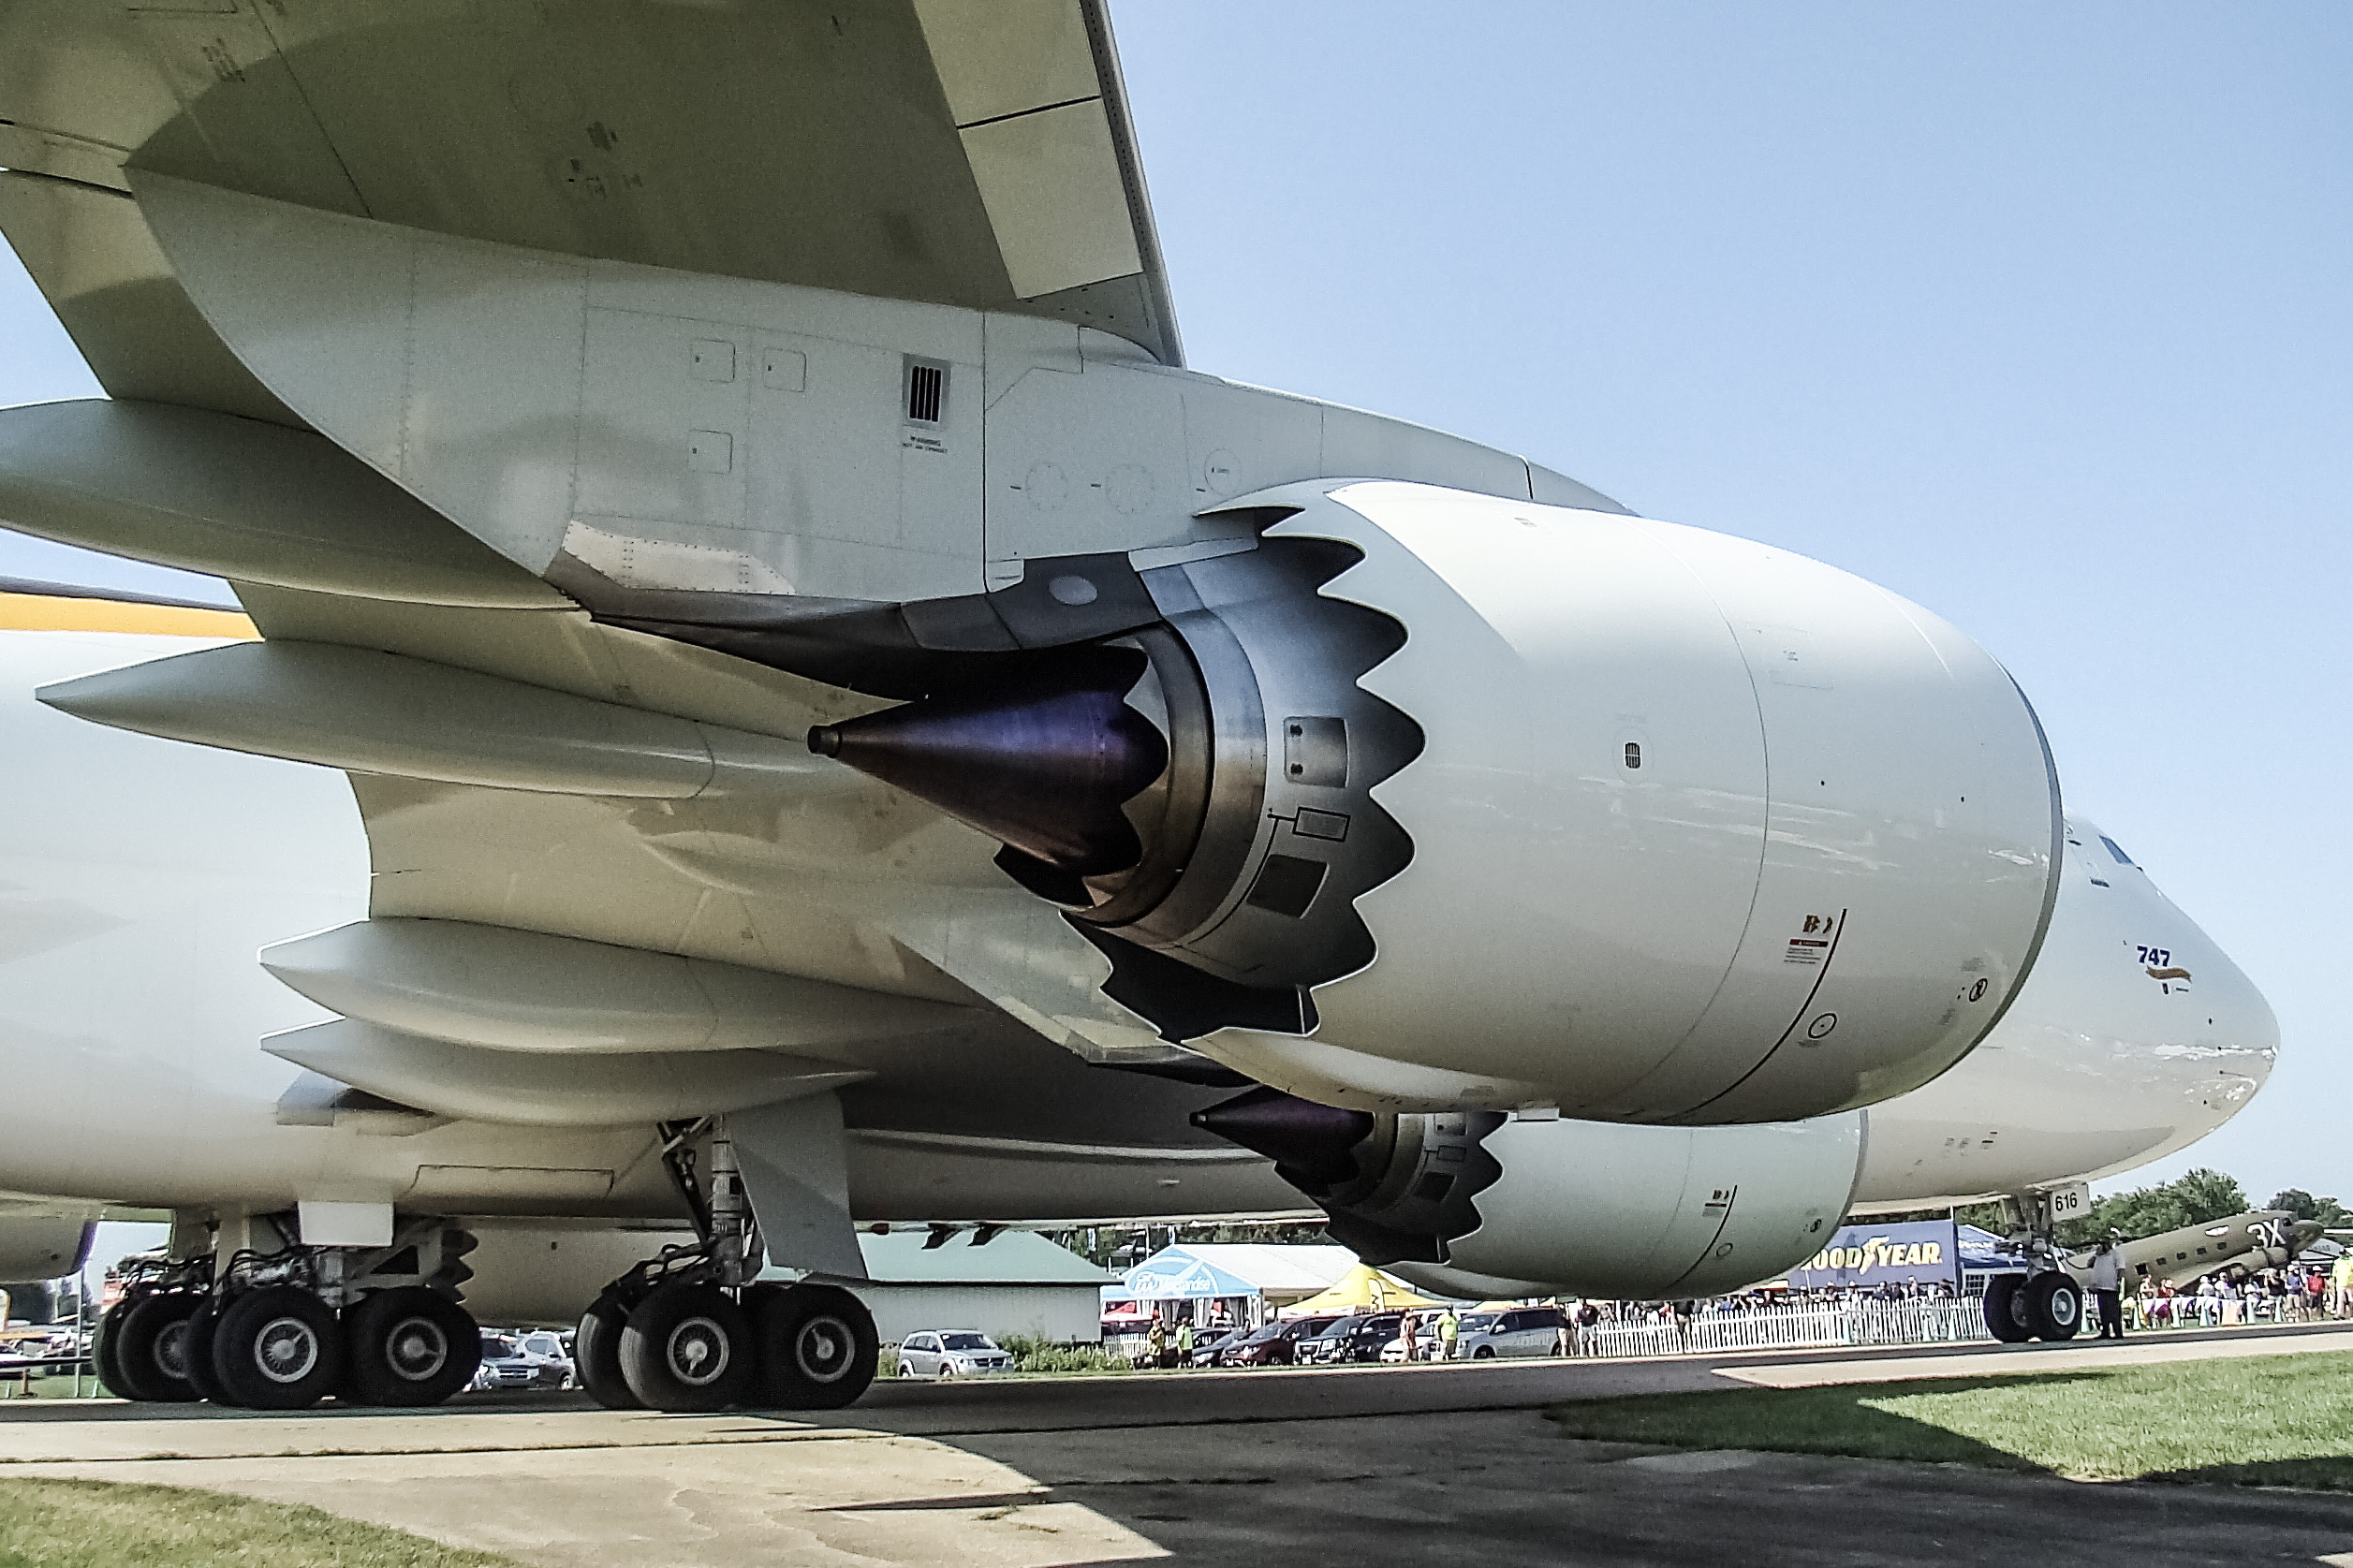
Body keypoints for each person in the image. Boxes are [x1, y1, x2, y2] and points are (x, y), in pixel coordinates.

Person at [2088, 1236, 2126, 1340]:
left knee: (2113, 1311)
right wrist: (2096, 1254)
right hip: (2100, 1287)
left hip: (2111, 1286)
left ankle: (2118, 1332)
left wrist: (2118, 1283)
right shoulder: (2098, 1256)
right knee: (2103, 1311)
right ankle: (2105, 1331)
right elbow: (2088, 1264)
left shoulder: (2115, 1255)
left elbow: (2120, 1269)